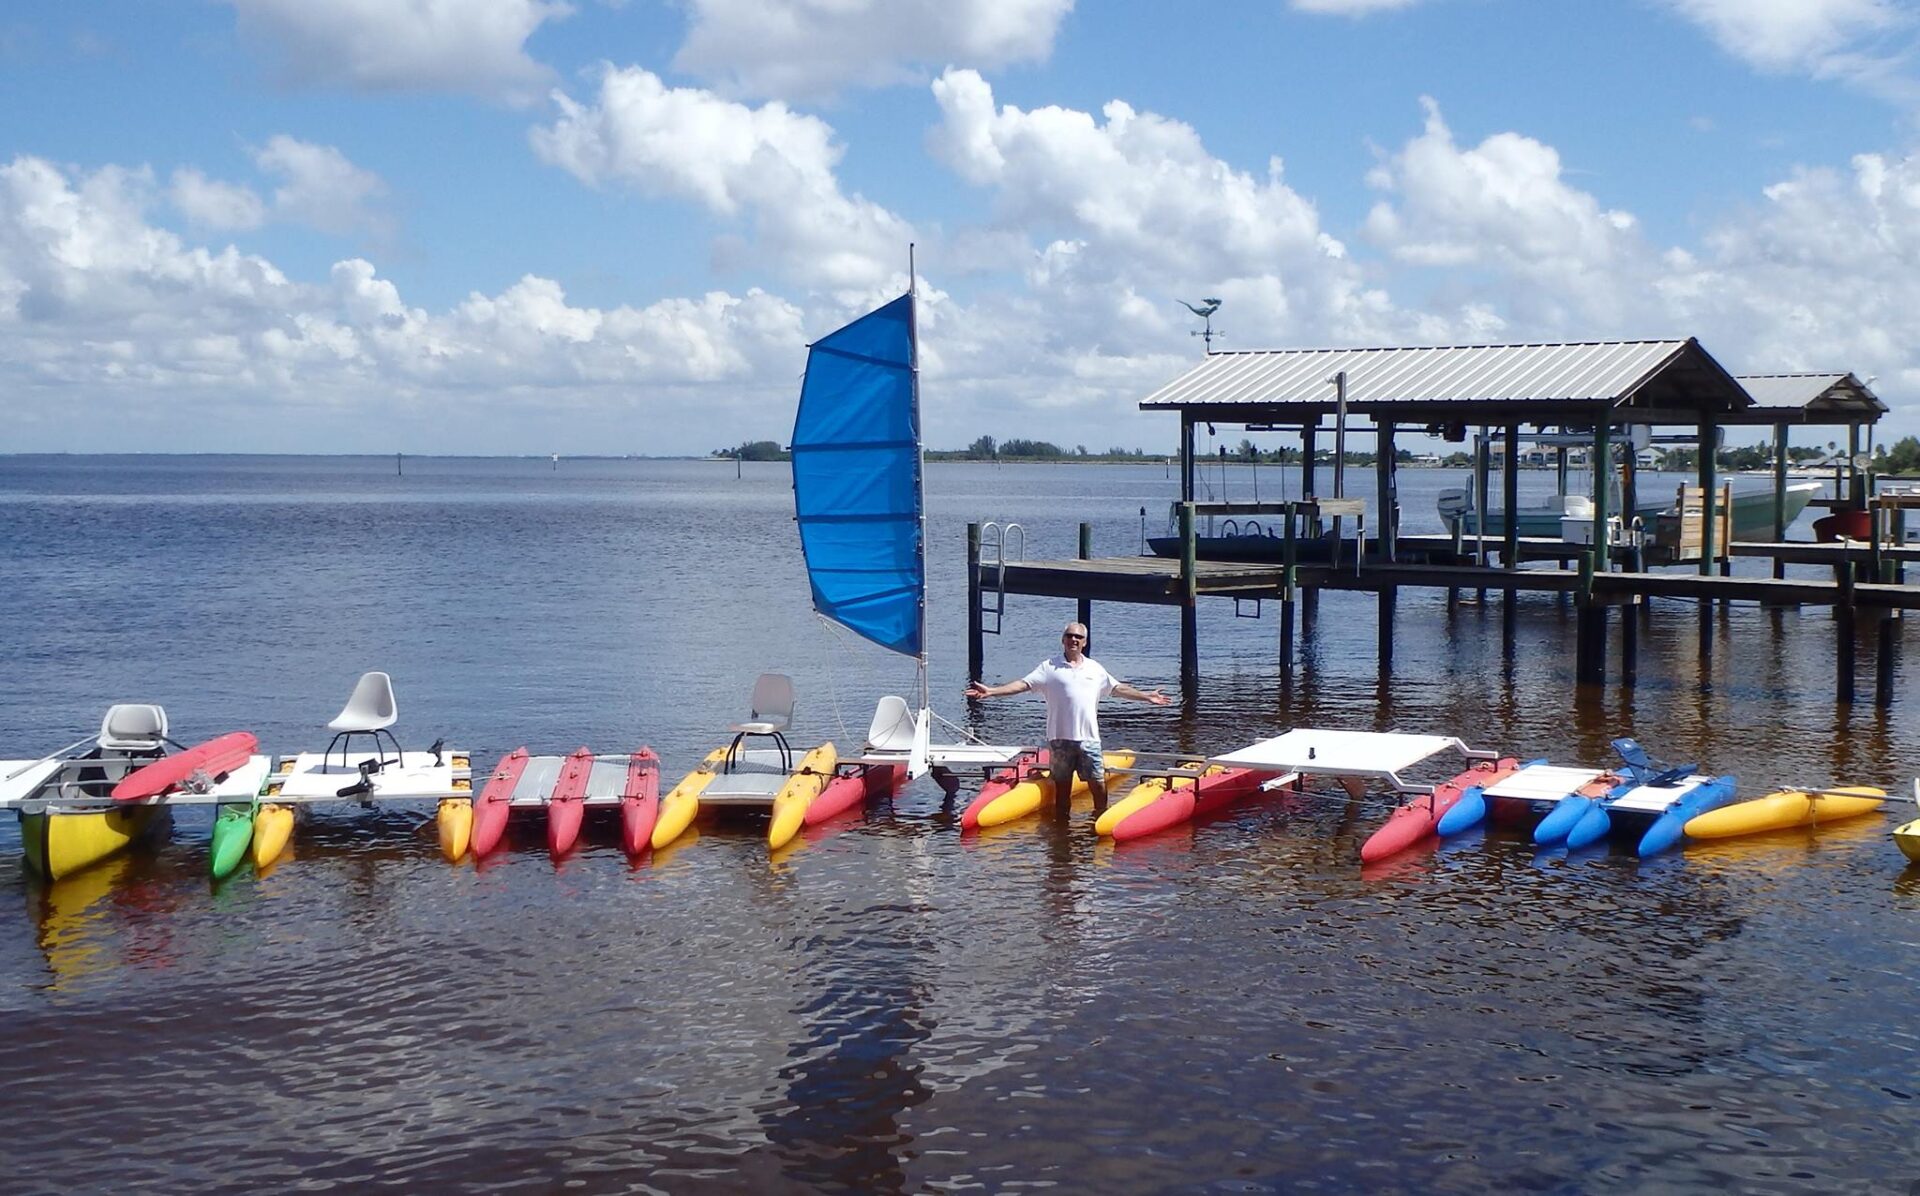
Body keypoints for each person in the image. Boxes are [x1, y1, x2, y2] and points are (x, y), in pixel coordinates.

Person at [964, 621, 1170, 814]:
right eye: (1070, 636)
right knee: (1062, 790)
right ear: (1063, 640)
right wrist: (992, 691)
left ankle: (1099, 819)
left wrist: (1146, 696)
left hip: (1089, 739)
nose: (1074, 640)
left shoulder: (1095, 669)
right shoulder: (1049, 668)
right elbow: (1022, 685)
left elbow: (1118, 688)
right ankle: (1061, 832)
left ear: (1085, 642)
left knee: (1098, 784)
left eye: (1078, 637)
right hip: (1060, 741)